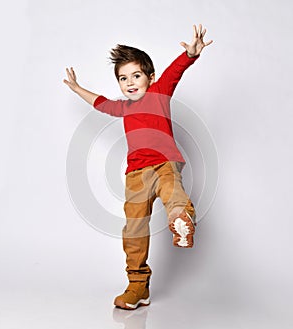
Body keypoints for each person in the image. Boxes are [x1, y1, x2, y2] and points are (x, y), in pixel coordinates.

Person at [64, 24, 212, 310]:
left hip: (164, 165)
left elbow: (174, 73)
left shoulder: (158, 92)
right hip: (135, 176)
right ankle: (138, 287)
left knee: (173, 191)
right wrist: (76, 87)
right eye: (123, 78)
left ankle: (182, 219)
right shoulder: (123, 108)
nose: (130, 82)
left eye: (136, 75)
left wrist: (190, 55)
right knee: (133, 230)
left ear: (150, 77)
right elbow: (100, 103)